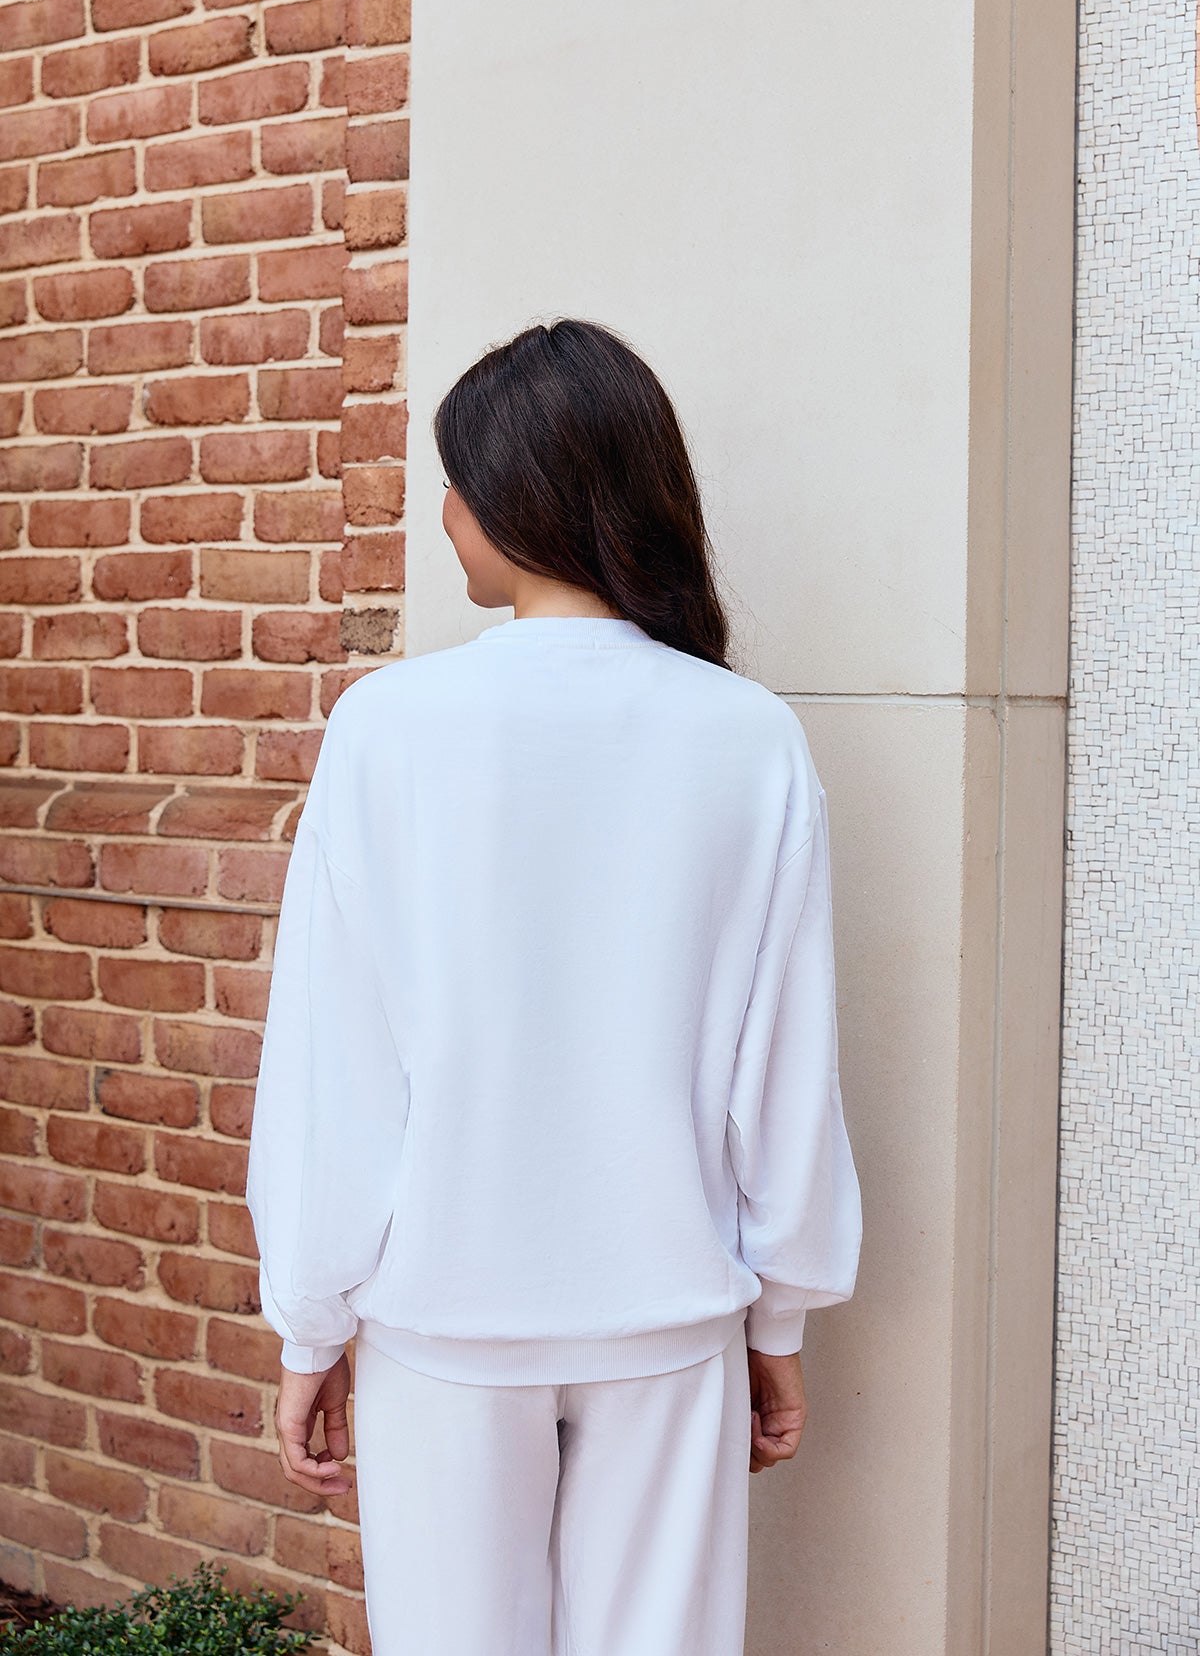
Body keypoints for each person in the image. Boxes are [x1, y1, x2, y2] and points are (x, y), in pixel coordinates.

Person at [244, 317, 863, 1655]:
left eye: (454, 485)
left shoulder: (387, 731)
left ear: (514, 501)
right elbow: (786, 1070)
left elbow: (334, 1064)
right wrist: (780, 1312)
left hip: (445, 1318)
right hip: (671, 1312)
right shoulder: (746, 738)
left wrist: (310, 1321)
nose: (446, 514)